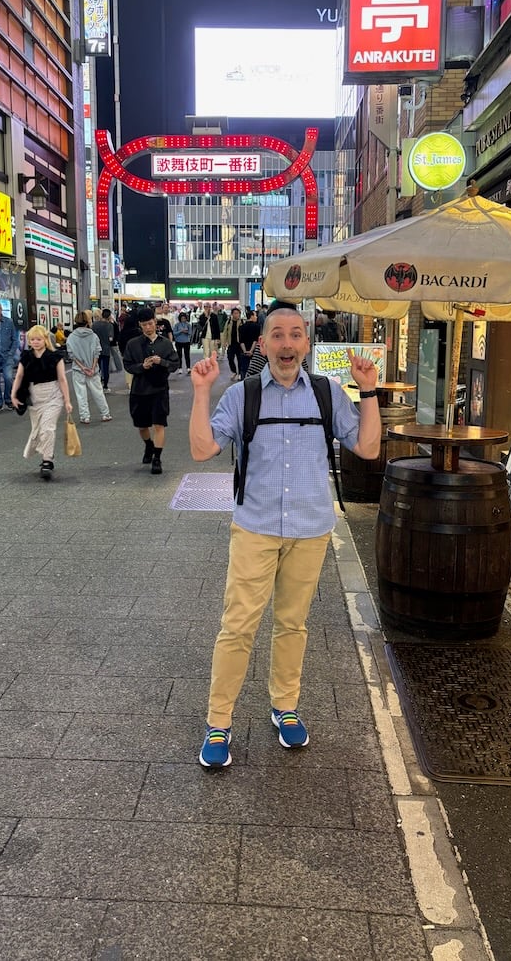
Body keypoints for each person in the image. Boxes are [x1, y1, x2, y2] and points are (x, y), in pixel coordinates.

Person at [189, 308, 382, 768]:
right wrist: (201, 393)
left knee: (292, 624)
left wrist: (369, 390)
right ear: (263, 345)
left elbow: (369, 448)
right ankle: (219, 723)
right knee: (238, 627)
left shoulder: (327, 393)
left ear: (307, 344)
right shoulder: (242, 396)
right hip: (255, 528)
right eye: (277, 335)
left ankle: (285, 708)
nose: (288, 343)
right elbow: (201, 449)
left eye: (296, 334)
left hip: (310, 529)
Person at [123, 305, 180, 475]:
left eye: (150, 323)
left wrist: (161, 362)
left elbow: (175, 364)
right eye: (144, 325)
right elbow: (128, 365)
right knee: (142, 426)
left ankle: (157, 458)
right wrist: (142, 366)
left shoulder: (166, 344)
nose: (148, 327)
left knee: (159, 424)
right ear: (140, 325)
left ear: (156, 322)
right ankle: (149, 445)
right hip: (139, 390)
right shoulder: (133, 344)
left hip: (159, 389)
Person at [11, 324, 73, 480]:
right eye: (32, 339)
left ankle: (47, 460)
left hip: (53, 395)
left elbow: (62, 379)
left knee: (48, 428)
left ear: (45, 339)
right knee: (38, 429)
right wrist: (13, 395)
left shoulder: (55, 356)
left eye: (38, 339)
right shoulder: (26, 356)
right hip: (34, 396)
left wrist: (67, 400)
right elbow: (19, 376)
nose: (35, 342)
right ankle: (46, 455)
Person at [65, 310, 112, 424]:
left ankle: (85, 416)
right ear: (87, 322)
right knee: (98, 392)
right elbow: (97, 352)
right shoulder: (93, 336)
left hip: (78, 369)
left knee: (81, 394)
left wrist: (82, 367)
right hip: (93, 369)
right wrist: (92, 366)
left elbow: (72, 355)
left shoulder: (71, 337)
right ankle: (105, 414)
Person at [92, 308, 116, 390]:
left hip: (96, 349)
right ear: (109, 316)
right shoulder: (110, 326)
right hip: (106, 349)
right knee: (105, 368)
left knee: (96, 367)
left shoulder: (94, 325)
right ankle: (105, 386)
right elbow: (111, 339)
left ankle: (97, 384)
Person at [237, 307, 260, 380]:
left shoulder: (241, 327)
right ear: (252, 316)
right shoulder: (257, 326)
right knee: (255, 368)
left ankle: (243, 383)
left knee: (244, 368)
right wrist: (251, 351)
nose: (256, 317)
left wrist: (245, 351)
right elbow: (255, 340)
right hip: (254, 351)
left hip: (243, 350)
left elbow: (241, 341)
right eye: (255, 315)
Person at [220, 307, 242, 380]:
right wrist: (224, 342)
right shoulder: (229, 321)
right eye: (234, 313)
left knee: (240, 359)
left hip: (239, 344)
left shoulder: (242, 322)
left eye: (237, 313)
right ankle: (234, 371)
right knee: (230, 358)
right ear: (232, 314)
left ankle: (240, 373)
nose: (236, 315)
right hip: (231, 343)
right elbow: (225, 332)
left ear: (239, 314)